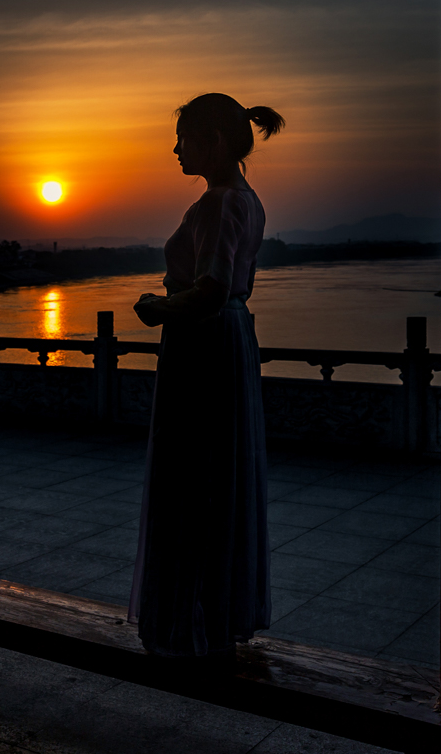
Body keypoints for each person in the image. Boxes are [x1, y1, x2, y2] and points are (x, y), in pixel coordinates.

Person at [129, 92, 284, 660]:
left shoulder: (220, 202)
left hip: (204, 341)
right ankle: (213, 612)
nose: (175, 149)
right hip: (231, 338)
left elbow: (212, 289)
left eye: (184, 138)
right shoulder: (248, 198)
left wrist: (157, 307)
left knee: (192, 475)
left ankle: (185, 618)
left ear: (214, 142)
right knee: (218, 475)